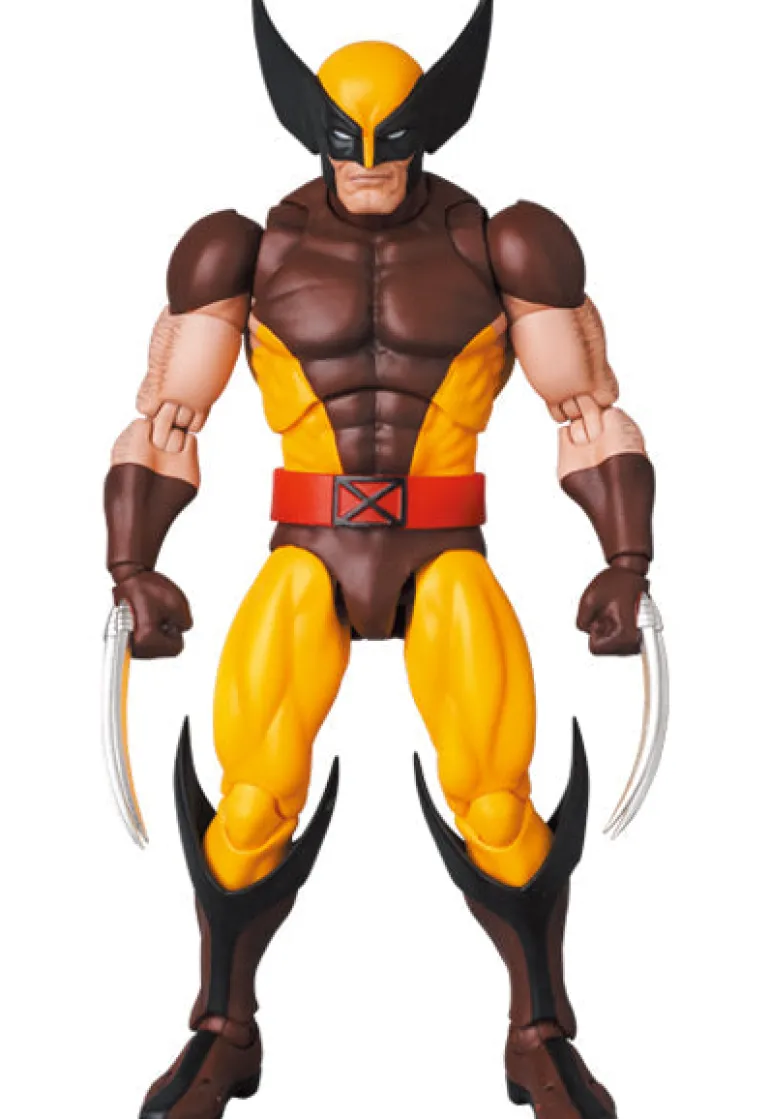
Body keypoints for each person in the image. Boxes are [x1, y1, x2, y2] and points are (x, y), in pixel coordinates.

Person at [103, 3, 655, 1115]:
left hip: (442, 546)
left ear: (430, 125)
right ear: (309, 128)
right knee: (248, 802)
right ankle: (223, 1028)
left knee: (496, 802)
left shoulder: (503, 242)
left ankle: (538, 1034)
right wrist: (133, 564)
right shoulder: (244, 249)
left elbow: (587, 408)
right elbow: (169, 418)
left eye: (389, 139)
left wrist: (624, 556)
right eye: (344, 139)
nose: (365, 163)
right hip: (308, 546)